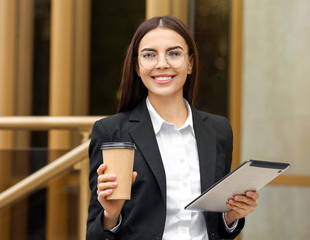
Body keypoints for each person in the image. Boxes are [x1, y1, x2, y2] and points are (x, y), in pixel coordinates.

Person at [86, 15, 259, 240]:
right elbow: (94, 234)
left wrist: (231, 216)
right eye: (149, 55)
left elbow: (216, 226)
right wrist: (111, 214)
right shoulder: (111, 131)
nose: (162, 64)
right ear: (137, 67)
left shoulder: (218, 130)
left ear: (190, 64)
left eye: (174, 53)